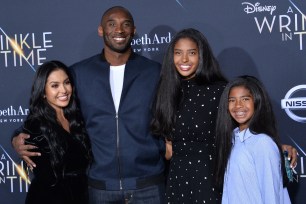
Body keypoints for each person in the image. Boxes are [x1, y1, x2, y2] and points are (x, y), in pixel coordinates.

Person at [12, 6, 165, 204]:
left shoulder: (155, 72)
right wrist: (17, 137)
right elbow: (51, 114)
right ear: (101, 30)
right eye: (111, 24)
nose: (119, 30)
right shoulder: (79, 73)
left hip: (148, 185)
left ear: (133, 31)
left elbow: (173, 114)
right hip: (99, 189)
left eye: (125, 24)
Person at [151, 28, 227, 203]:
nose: (184, 59)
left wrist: (277, 147)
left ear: (202, 55)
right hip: (177, 178)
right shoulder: (166, 90)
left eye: (191, 53)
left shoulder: (219, 90)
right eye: (178, 53)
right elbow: (165, 141)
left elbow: (240, 131)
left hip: (210, 178)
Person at [21, 60, 92, 204]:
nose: (64, 90)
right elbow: (46, 179)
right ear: (43, 92)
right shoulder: (36, 126)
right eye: (55, 86)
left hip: (81, 196)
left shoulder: (77, 118)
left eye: (66, 83)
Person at [214, 75, 291, 203]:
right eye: (232, 100)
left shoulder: (263, 143)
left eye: (245, 99)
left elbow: (271, 194)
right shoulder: (231, 139)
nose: (238, 105)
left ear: (257, 101)